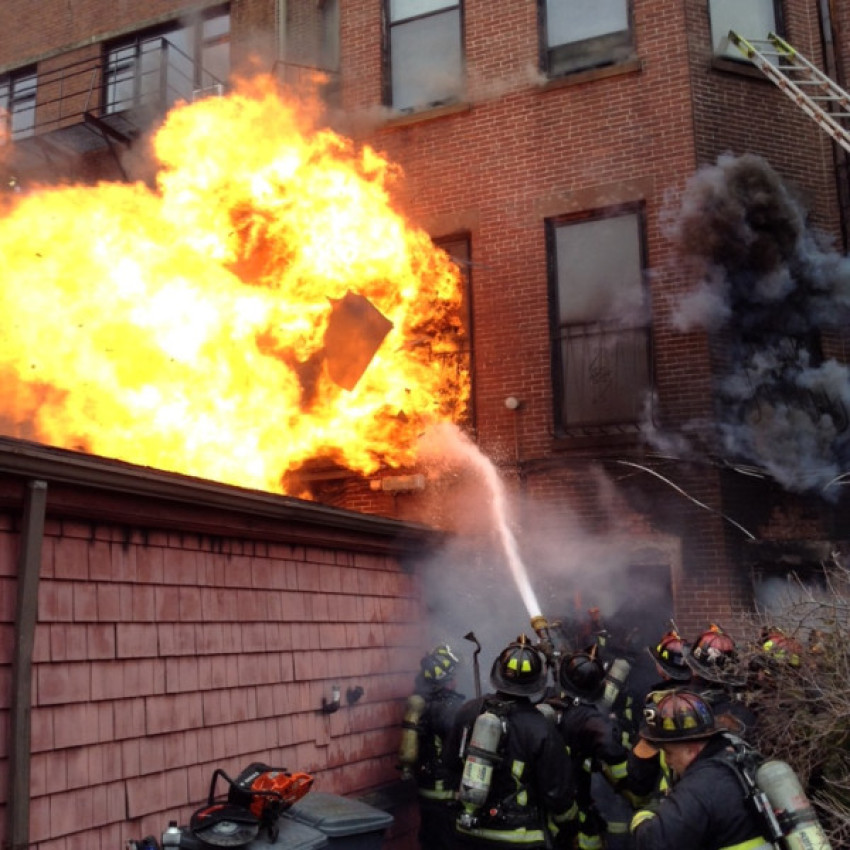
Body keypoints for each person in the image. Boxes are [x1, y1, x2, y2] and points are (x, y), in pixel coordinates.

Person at [445, 636, 578, 850]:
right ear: (537, 681)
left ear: (497, 672)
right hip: (519, 838)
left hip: (468, 833)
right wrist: (570, 830)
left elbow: (450, 764)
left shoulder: (468, 711)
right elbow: (558, 793)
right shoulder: (541, 728)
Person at [629, 690, 772, 849]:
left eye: (669, 753)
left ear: (691, 750)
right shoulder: (735, 755)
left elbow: (655, 842)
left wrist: (642, 817)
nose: (668, 761)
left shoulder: (701, 785)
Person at [548, 649, 646, 850]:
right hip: (576, 797)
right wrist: (630, 781)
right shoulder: (592, 721)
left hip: (552, 798)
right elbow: (614, 753)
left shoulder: (551, 704)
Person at [399, 643, 467, 850]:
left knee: (430, 841)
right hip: (447, 794)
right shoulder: (451, 708)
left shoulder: (422, 703)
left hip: (425, 790)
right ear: (447, 678)